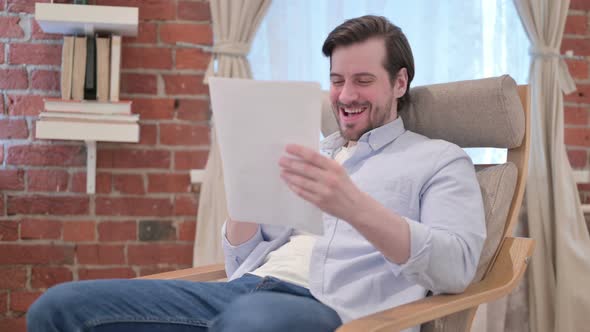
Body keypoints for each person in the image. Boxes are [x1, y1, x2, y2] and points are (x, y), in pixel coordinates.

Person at [27, 15, 485, 332]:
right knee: (58, 309)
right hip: (243, 292)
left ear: (399, 82)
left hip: (333, 308)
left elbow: (457, 266)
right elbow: (240, 262)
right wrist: (245, 182)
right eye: (337, 80)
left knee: (250, 323)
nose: (345, 95)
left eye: (363, 80)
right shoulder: (313, 152)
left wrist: (353, 205)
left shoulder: (440, 160)